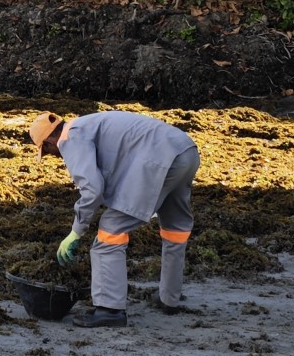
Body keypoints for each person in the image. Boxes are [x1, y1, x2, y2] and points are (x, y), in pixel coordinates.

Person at [29, 110, 200, 328]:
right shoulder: (88, 123)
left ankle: (110, 310)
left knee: (110, 230)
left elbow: (92, 188)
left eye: (48, 151)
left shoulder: (70, 138)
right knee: (175, 230)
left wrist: (76, 231)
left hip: (159, 162)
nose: (55, 155)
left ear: (50, 140)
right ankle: (170, 299)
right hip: (185, 151)